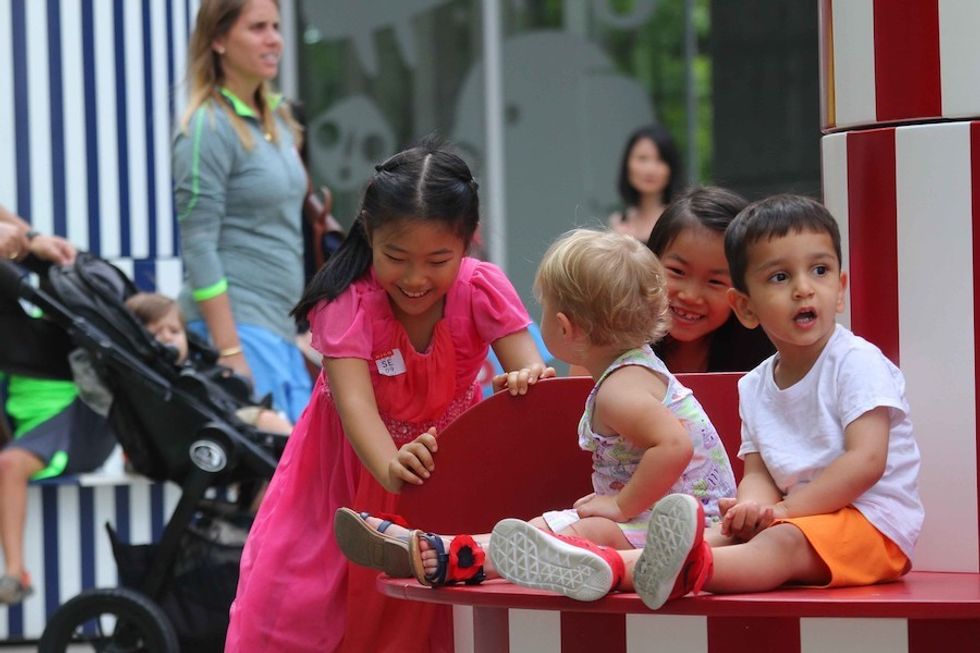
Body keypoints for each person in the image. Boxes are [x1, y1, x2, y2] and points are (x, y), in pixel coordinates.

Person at [492, 195, 924, 609]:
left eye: (820, 270)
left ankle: (651, 569)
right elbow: (759, 470)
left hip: (869, 524)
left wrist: (781, 512)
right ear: (746, 308)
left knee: (779, 543)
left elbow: (866, 460)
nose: (803, 289)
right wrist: (751, 507)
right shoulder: (755, 385)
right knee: (730, 535)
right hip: (799, 518)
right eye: (780, 277)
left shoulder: (857, 361)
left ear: (841, 288)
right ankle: (606, 565)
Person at [225, 143, 555, 652]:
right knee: (304, 611)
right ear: (369, 234)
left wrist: (526, 382)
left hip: (446, 479)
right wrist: (395, 470)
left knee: (435, 622)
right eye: (395, 257)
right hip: (344, 480)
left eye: (438, 260)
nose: (416, 278)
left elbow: (532, 372)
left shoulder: (481, 289)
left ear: (468, 242)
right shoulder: (347, 302)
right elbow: (357, 410)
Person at [335, 228, 737, 603]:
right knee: (551, 526)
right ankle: (444, 547)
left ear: (565, 327)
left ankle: (459, 558)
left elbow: (673, 445)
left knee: (579, 530)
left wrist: (622, 505)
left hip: (684, 527)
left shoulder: (621, 390)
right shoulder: (632, 371)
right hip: (662, 515)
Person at [173, 0, 311, 423]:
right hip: (240, 334)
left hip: (281, 332)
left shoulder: (281, 119)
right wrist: (229, 350)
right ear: (217, 40)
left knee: (293, 480)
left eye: (275, 26)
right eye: (257, 28)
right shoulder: (206, 128)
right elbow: (198, 245)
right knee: (277, 475)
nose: (274, 39)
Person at [0, 207, 116, 605]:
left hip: (69, 420)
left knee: (9, 465)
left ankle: (16, 572)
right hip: (28, 411)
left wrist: (30, 238)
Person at [124, 292, 292, 435]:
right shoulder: (150, 376)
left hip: (223, 420)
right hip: (208, 428)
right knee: (265, 419)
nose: (168, 337)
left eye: (174, 331)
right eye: (156, 333)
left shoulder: (196, 364)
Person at [647, 186, 774, 372]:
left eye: (715, 281)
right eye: (677, 271)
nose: (690, 296)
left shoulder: (771, 363)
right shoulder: (611, 345)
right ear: (649, 261)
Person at [608, 124, 681, 243]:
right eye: (642, 158)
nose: (650, 169)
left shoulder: (680, 222)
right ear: (627, 164)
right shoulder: (618, 222)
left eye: (660, 160)